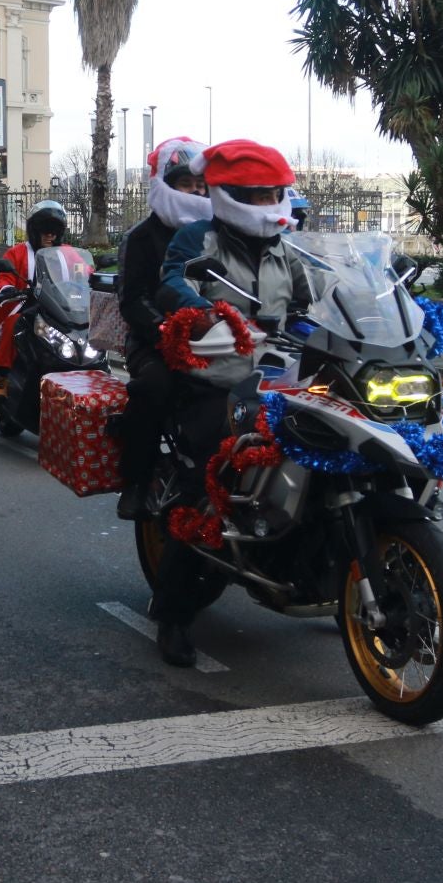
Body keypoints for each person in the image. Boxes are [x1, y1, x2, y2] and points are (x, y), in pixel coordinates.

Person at [151, 139, 306, 667]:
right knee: (208, 488)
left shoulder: (288, 244)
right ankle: (171, 613)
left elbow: (320, 291)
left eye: (273, 195)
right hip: (216, 376)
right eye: (256, 196)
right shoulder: (202, 237)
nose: (267, 206)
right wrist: (207, 312)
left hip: (282, 377)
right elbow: (174, 281)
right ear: (229, 194)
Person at [114, 137, 209, 520]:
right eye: (187, 185)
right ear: (166, 186)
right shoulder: (140, 237)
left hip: (219, 338)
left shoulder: (219, 233)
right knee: (155, 387)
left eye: (202, 186)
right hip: (155, 340)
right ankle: (135, 480)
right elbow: (132, 298)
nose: (196, 193)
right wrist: (166, 329)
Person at [0, 199, 71, 397]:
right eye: (45, 229)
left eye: (54, 230)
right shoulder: (17, 253)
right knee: (14, 324)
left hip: (61, 308)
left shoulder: (68, 253)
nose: (50, 235)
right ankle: (1, 380)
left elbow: (85, 272)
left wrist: (96, 281)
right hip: (26, 306)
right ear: (35, 230)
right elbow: (3, 278)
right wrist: (7, 289)